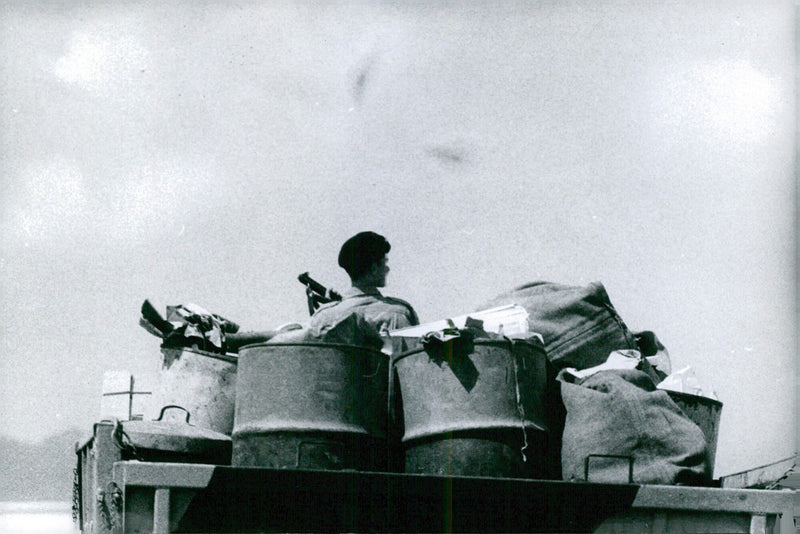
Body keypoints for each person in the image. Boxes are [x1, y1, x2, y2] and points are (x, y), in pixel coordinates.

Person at [310, 231, 419, 334]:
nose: (387, 269)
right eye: (384, 263)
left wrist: (335, 307)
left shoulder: (323, 316)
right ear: (374, 268)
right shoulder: (399, 312)